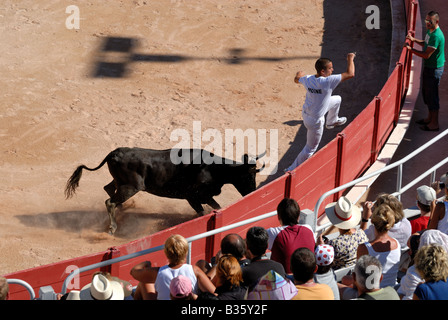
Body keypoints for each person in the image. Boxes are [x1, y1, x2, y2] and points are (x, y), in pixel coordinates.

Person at [286, 53, 356, 171]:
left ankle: (331, 121)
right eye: (330, 68)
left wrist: (299, 74)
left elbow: (297, 79)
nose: (333, 70)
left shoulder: (308, 79)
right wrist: (350, 58)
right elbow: (350, 74)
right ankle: (291, 169)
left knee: (337, 99)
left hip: (307, 113)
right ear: (323, 72)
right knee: (310, 149)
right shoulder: (328, 81)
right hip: (315, 121)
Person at [130, 234, 215, 300]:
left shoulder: (156, 272)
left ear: (166, 253)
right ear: (186, 252)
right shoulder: (194, 270)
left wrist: (146, 263)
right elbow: (214, 294)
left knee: (145, 281)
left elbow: (133, 272)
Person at [405, 11, 445, 131]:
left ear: (436, 22)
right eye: (426, 21)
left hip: (434, 69)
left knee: (432, 95)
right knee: (428, 94)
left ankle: (434, 124)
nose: (427, 23)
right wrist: (414, 40)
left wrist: (411, 49)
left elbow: (426, 55)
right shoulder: (431, 30)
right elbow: (426, 44)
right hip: (430, 67)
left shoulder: (436, 36)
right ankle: (429, 118)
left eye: (429, 21)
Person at [318, 196, 368, 270]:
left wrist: (321, 246)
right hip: (355, 271)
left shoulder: (334, 244)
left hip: (336, 274)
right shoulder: (361, 234)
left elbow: (323, 260)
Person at [358, 203, 401, 288]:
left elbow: (359, 279)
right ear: (391, 223)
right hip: (392, 290)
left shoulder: (364, 248)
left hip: (371, 293)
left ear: (372, 221)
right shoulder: (397, 243)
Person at [268, 198, 315, 274]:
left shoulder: (274, 233)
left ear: (279, 217)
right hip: (307, 278)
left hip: (283, 281)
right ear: (298, 216)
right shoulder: (308, 229)